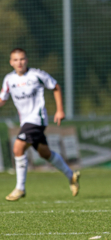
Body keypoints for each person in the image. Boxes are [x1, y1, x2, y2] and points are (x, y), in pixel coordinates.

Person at [0, 48, 80, 201]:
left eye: (22, 59)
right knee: (45, 153)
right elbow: (2, 98)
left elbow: (55, 86)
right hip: (26, 121)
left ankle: (20, 188)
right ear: (11, 62)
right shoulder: (9, 79)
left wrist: (60, 110)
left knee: (18, 148)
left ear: (27, 60)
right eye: (15, 60)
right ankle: (71, 175)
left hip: (37, 119)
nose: (19, 62)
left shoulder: (36, 75)